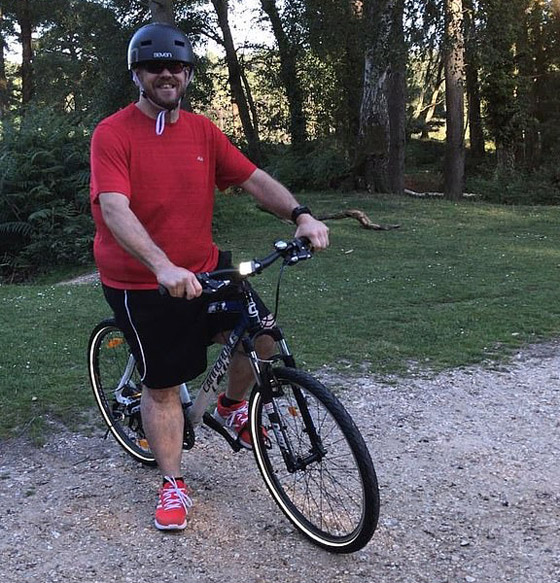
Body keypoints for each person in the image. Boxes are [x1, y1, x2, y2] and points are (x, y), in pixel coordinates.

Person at [89, 22, 330, 532]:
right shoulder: (113, 133)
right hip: (141, 281)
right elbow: (114, 208)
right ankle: (173, 482)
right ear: (137, 74)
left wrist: (301, 215)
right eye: (154, 66)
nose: (167, 74)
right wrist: (161, 266)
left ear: (188, 74)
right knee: (163, 385)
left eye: (176, 66)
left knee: (262, 337)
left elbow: (253, 179)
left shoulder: (202, 131)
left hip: (206, 265)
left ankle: (231, 406)